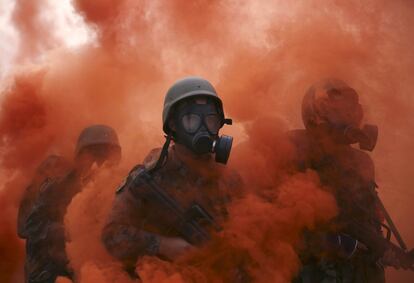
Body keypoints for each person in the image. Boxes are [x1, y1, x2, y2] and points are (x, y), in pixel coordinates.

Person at [102, 76, 244, 280]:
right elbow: (112, 235)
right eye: (192, 120)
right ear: (173, 125)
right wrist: (162, 245)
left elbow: (247, 237)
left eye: (211, 120)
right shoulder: (149, 179)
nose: (203, 129)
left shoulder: (229, 179)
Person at [289, 78, 413, 283]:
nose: (348, 114)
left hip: (360, 272)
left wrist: (389, 253)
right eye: (336, 108)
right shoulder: (295, 148)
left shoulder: (361, 161)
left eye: (351, 107)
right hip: (317, 271)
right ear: (315, 113)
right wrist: (339, 243)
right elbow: (282, 224)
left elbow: (367, 222)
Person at [18, 124, 121, 283]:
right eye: (93, 154)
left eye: (106, 154)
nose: (99, 162)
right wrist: (69, 231)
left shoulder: (122, 187)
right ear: (79, 158)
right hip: (56, 268)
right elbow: (30, 227)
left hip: (101, 265)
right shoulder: (57, 189)